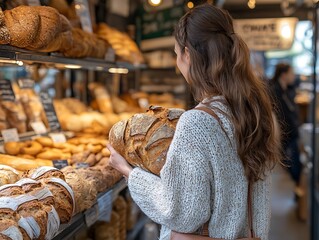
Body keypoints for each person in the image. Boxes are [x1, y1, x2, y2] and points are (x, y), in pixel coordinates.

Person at [107, 4, 281, 240]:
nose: (178, 62)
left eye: (176, 53)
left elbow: (181, 212)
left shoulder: (196, 123)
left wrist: (129, 172)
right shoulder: (254, 111)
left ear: (187, 54)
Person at [270, 63, 302, 186]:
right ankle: (297, 189)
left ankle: (297, 189)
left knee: (295, 164)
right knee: (293, 164)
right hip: (285, 134)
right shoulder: (274, 91)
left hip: (291, 132)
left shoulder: (287, 90)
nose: (293, 76)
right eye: (291, 73)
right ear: (284, 75)